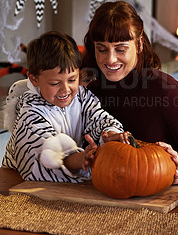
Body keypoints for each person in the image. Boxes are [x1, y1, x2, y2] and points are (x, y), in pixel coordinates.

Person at [82, 1, 178, 181]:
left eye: (121, 49)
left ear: (139, 45)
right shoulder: (91, 93)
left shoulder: (169, 94)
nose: (110, 59)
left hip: (160, 200)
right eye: (102, 49)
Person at [1, 31, 131, 182]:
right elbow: (45, 157)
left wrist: (109, 135)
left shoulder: (82, 97)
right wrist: (81, 158)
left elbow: (99, 118)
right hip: (15, 185)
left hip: (70, 180)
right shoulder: (29, 112)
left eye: (72, 80)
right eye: (55, 83)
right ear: (34, 79)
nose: (65, 89)